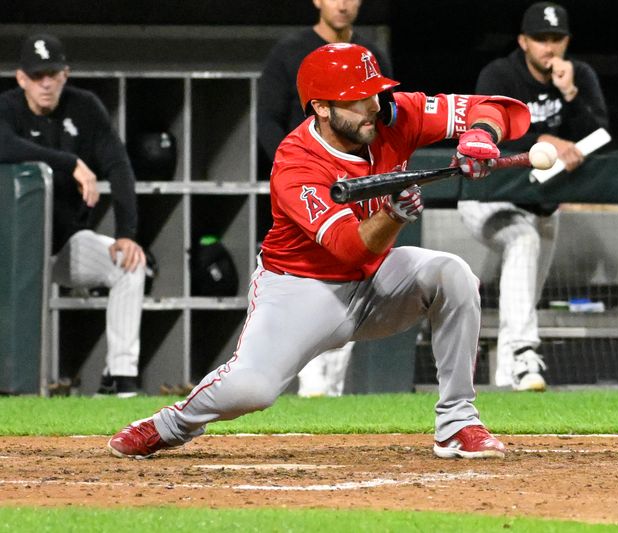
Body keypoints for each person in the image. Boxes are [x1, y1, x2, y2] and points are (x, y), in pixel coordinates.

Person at [108, 42, 530, 460]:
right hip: (301, 290)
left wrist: (480, 135)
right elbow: (348, 248)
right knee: (251, 390)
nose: (371, 105)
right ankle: (172, 424)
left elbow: (502, 109)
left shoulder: (395, 113)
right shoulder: (296, 162)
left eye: (373, 91)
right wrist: (396, 214)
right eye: (355, 99)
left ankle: (457, 423)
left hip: (376, 281)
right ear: (322, 108)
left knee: (451, 274)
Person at [457, 2, 609, 391]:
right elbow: (485, 134)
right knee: (522, 241)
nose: (549, 48)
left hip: (543, 203)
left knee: (526, 291)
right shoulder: (500, 74)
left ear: (567, 41)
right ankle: (526, 354)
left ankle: (511, 380)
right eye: (540, 39)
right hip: (488, 197)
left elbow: (600, 135)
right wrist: (541, 138)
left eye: (556, 39)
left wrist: (570, 93)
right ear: (523, 41)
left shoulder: (580, 77)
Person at [257, 0, 393, 397]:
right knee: (305, 275)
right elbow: (267, 118)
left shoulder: (371, 55)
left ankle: (324, 388)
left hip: (358, 184)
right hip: (306, 186)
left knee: (352, 271)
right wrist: (293, 175)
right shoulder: (289, 52)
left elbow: (383, 121)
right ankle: (298, 377)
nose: (343, 4)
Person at [0, 34, 146, 397]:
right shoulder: (7, 107)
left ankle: (120, 378)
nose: (45, 83)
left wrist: (127, 232)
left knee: (129, 263)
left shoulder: (84, 107)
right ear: (21, 78)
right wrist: (69, 162)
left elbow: (118, 165)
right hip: (11, 253)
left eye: (52, 73)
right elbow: (3, 144)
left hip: (61, 245)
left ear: (65, 73)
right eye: (37, 76)